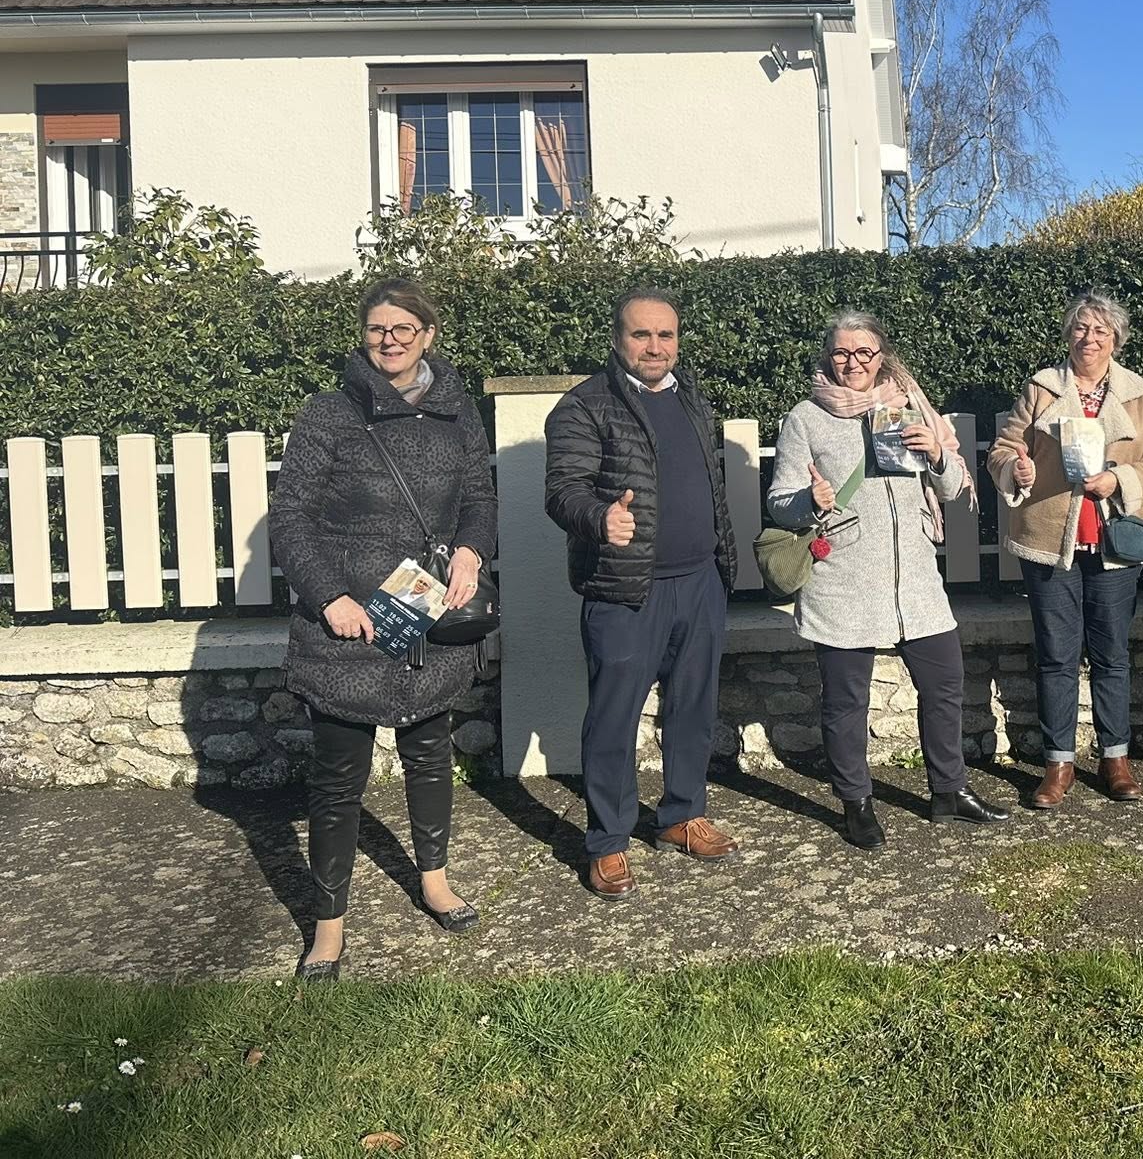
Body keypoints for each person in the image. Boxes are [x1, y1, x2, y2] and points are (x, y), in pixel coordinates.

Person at [270, 278, 497, 980]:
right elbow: (291, 517)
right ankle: (329, 928)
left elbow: (480, 499)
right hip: (349, 628)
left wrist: (471, 547)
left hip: (424, 616)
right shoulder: (329, 415)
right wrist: (330, 596)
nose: (390, 338)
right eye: (377, 329)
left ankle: (433, 881)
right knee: (339, 781)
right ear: (364, 338)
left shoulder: (460, 416)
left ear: (428, 334)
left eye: (404, 327)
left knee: (430, 755)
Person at [766, 311, 1010, 846]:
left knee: (944, 684)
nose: (853, 363)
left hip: (916, 578)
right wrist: (810, 500)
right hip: (844, 577)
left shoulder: (909, 406)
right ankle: (855, 802)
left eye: (864, 353)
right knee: (846, 700)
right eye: (841, 353)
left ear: (882, 357)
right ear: (826, 357)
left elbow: (948, 491)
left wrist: (939, 455)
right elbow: (780, 503)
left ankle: (949, 791)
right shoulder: (805, 419)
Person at [544, 288, 739, 900]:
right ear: (617, 338)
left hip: (700, 581)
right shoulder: (583, 407)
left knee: (693, 709)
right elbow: (562, 491)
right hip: (626, 590)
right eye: (641, 335)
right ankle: (607, 842)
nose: (655, 347)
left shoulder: (694, 401)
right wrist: (601, 518)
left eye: (666, 335)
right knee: (613, 717)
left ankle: (681, 814)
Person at [988, 291, 1143, 808]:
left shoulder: (1139, 394)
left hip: (1114, 540)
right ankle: (1058, 764)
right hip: (1051, 540)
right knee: (1056, 655)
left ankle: (1115, 758)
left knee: (1113, 654)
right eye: (1080, 329)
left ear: (1115, 338)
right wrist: (1016, 468)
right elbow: (1004, 448)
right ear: (1068, 334)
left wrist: (1120, 480)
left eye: (1100, 331)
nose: (1089, 339)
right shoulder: (1042, 389)